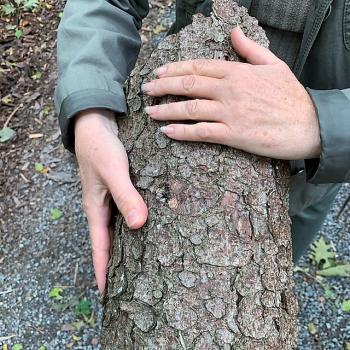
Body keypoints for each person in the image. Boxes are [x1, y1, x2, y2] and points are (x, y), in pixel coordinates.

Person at [55, 0, 350, 294]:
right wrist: (89, 107)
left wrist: (321, 121)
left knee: (276, 263)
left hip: (316, 170)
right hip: (174, 134)